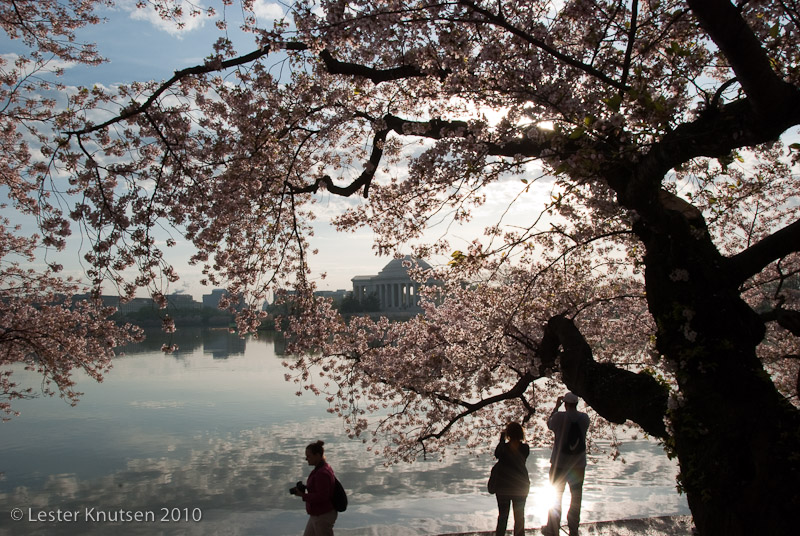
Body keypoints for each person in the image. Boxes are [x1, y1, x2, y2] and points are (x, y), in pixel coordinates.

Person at [543, 392, 590, 536]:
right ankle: (574, 528)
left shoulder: (559, 417)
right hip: (578, 464)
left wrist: (556, 407)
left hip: (560, 463)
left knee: (556, 495)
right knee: (576, 497)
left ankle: (553, 527)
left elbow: (550, 424)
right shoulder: (585, 418)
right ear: (576, 403)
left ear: (565, 404)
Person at [292, 440, 337, 536]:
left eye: (309, 456)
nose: (306, 459)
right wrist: (306, 488)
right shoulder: (322, 468)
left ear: (317, 455)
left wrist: (303, 495)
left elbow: (322, 497)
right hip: (316, 514)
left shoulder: (322, 473)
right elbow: (320, 489)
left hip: (323, 515)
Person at [492, 422, 530, 536]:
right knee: (519, 518)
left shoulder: (503, 448)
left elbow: (497, 454)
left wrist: (501, 440)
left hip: (503, 487)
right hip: (520, 486)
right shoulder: (525, 448)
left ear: (508, 434)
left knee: (503, 516)